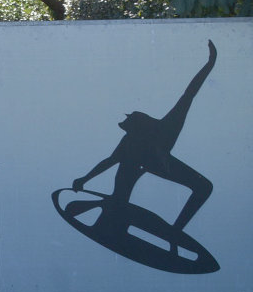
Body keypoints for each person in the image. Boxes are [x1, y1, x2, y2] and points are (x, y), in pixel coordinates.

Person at [67, 40, 217, 245]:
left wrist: (210, 63)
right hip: (140, 165)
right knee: (125, 173)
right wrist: (84, 179)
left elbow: (188, 94)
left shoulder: (166, 127)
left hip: (161, 164)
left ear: (139, 123)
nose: (124, 123)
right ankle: (112, 215)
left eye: (128, 121)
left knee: (203, 187)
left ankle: (175, 233)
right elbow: (110, 161)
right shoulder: (129, 141)